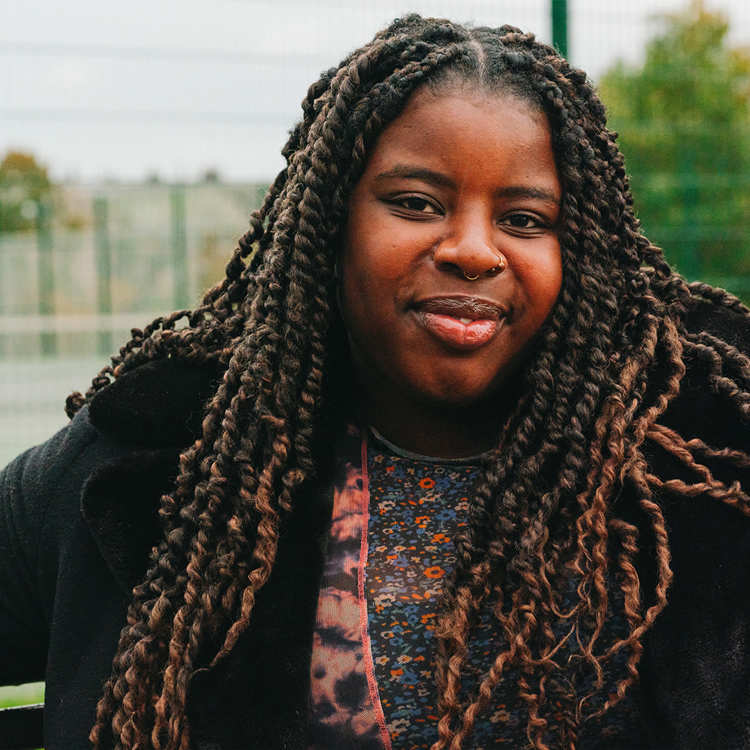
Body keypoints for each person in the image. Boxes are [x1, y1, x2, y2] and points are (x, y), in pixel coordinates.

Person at [1, 13, 749, 750]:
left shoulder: (706, 463)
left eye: (525, 219)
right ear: (333, 222)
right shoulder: (170, 458)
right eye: (416, 204)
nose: (472, 250)